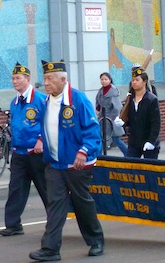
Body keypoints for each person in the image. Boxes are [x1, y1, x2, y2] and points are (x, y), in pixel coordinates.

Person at [29, 60, 104, 261]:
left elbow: (92, 130)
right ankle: (50, 249)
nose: (46, 82)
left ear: (63, 79)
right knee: (55, 205)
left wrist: (84, 152)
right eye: (44, 78)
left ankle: (96, 240)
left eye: (50, 78)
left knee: (82, 203)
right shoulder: (46, 102)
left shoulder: (78, 100)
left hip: (77, 164)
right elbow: (45, 128)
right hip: (54, 163)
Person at [1, 63, 48, 237]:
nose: (15, 81)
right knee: (16, 189)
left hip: (36, 152)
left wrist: (41, 140)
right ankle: (13, 225)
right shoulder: (14, 102)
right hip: (19, 152)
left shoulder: (40, 99)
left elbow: (48, 122)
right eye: (13, 78)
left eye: (18, 78)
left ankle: (54, 222)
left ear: (27, 80)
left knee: (45, 188)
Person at [114, 67, 160, 159]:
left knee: (150, 170)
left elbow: (156, 123)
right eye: (133, 80)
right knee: (132, 169)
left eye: (137, 80)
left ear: (145, 81)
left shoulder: (151, 99)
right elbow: (130, 119)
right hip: (134, 142)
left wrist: (151, 141)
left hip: (148, 141)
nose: (134, 82)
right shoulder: (130, 99)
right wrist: (123, 123)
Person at [95, 72, 128, 156]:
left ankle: (128, 154)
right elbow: (98, 102)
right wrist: (98, 110)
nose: (103, 81)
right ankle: (99, 156)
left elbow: (117, 107)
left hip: (111, 119)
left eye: (106, 79)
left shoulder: (113, 92)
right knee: (101, 138)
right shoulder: (101, 91)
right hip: (102, 118)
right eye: (102, 79)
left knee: (115, 139)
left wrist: (111, 119)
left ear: (110, 80)